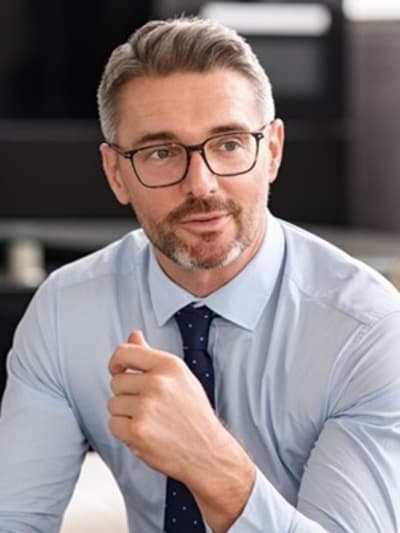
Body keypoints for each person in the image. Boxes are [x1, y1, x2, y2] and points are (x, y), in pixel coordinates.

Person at [0, 16, 400, 533]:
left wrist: (211, 462)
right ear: (116, 173)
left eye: (229, 143)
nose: (202, 184)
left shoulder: (368, 329)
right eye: (161, 153)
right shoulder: (65, 311)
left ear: (272, 151)